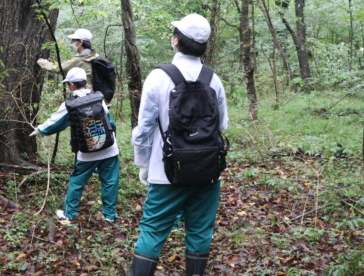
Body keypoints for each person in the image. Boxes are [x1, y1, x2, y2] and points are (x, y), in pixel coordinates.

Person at [130, 14, 229, 276]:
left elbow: (144, 129)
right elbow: (221, 127)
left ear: (176, 41)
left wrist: (143, 163)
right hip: (208, 171)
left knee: (153, 229)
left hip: (166, 172)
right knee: (199, 230)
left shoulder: (159, 77)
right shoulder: (213, 79)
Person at [30, 67, 119, 223]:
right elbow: (111, 123)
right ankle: (109, 216)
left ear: (71, 84)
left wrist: (39, 130)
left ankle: (69, 214)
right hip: (109, 148)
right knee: (110, 182)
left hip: (87, 152)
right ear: (85, 82)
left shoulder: (70, 105)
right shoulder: (99, 99)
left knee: (77, 182)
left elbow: (54, 124)